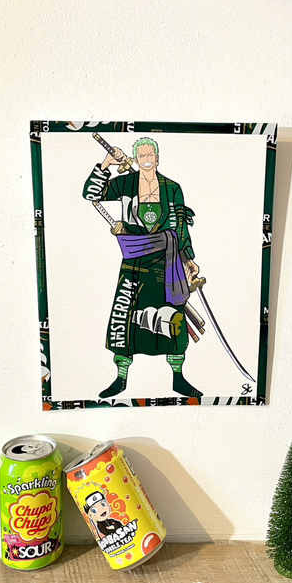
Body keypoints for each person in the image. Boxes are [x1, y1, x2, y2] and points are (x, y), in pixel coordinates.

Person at [83, 137, 203, 399]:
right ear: (135, 159)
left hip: (167, 262)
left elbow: (180, 225)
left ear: (157, 158)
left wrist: (188, 257)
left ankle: (178, 378)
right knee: (125, 315)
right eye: (141, 156)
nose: (146, 160)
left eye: (150, 155)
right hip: (135, 260)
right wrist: (106, 163)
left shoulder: (172, 187)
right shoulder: (125, 183)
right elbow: (91, 194)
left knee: (173, 315)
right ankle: (121, 378)